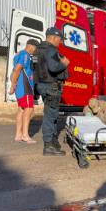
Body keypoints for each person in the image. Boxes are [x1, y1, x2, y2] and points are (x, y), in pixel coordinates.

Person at [35, 27, 70, 156]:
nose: (60, 42)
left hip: (42, 85)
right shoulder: (51, 50)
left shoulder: (38, 50)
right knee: (50, 116)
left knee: (51, 114)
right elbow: (54, 67)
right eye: (60, 39)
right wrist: (64, 63)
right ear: (54, 37)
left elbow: (35, 69)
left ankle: (53, 141)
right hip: (51, 86)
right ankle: (48, 145)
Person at [9, 39, 40, 143]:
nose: (35, 51)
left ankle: (18, 135)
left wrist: (14, 85)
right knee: (29, 109)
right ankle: (25, 135)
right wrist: (13, 85)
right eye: (36, 48)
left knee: (21, 109)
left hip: (22, 87)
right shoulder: (25, 55)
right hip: (25, 87)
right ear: (31, 46)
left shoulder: (21, 55)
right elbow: (17, 69)